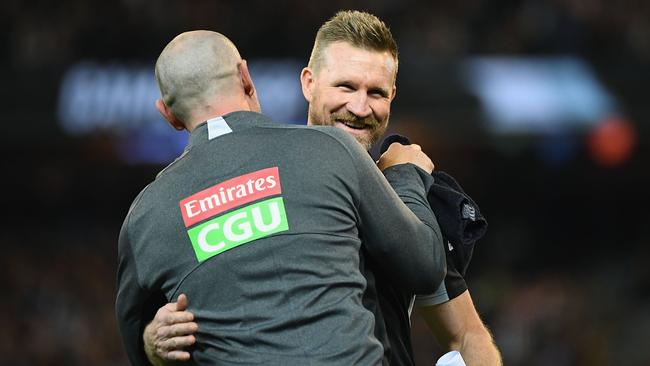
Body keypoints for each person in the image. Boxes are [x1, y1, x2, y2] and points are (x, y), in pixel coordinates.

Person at [142, 11, 503, 366]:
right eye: (345, 86)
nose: (359, 107)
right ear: (308, 83)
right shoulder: (251, 185)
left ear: (392, 96)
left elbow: (466, 336)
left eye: (375, 92)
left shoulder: (409, 197)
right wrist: (154, 340)